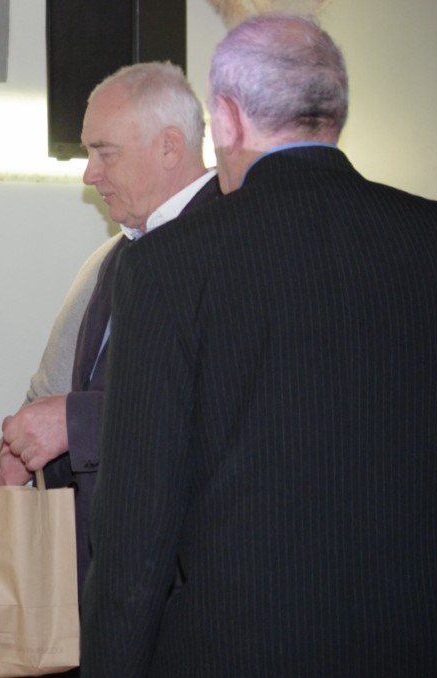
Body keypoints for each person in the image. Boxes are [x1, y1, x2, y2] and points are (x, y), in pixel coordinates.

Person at [81, 14, 437, 677]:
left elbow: (137, 526)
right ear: (333, 113)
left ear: (227, 119)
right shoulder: (425, 237)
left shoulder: (168, 264)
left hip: (233, 647)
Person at [0, 62, 219, 601]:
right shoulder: (119, 253)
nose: (89, 174)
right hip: (110, 575)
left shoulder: (234, 244)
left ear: (170, 146)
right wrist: (24, 458)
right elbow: (87, 392)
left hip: (188, 583)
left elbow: (224, 406)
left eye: (105, 152)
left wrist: (74, 423)